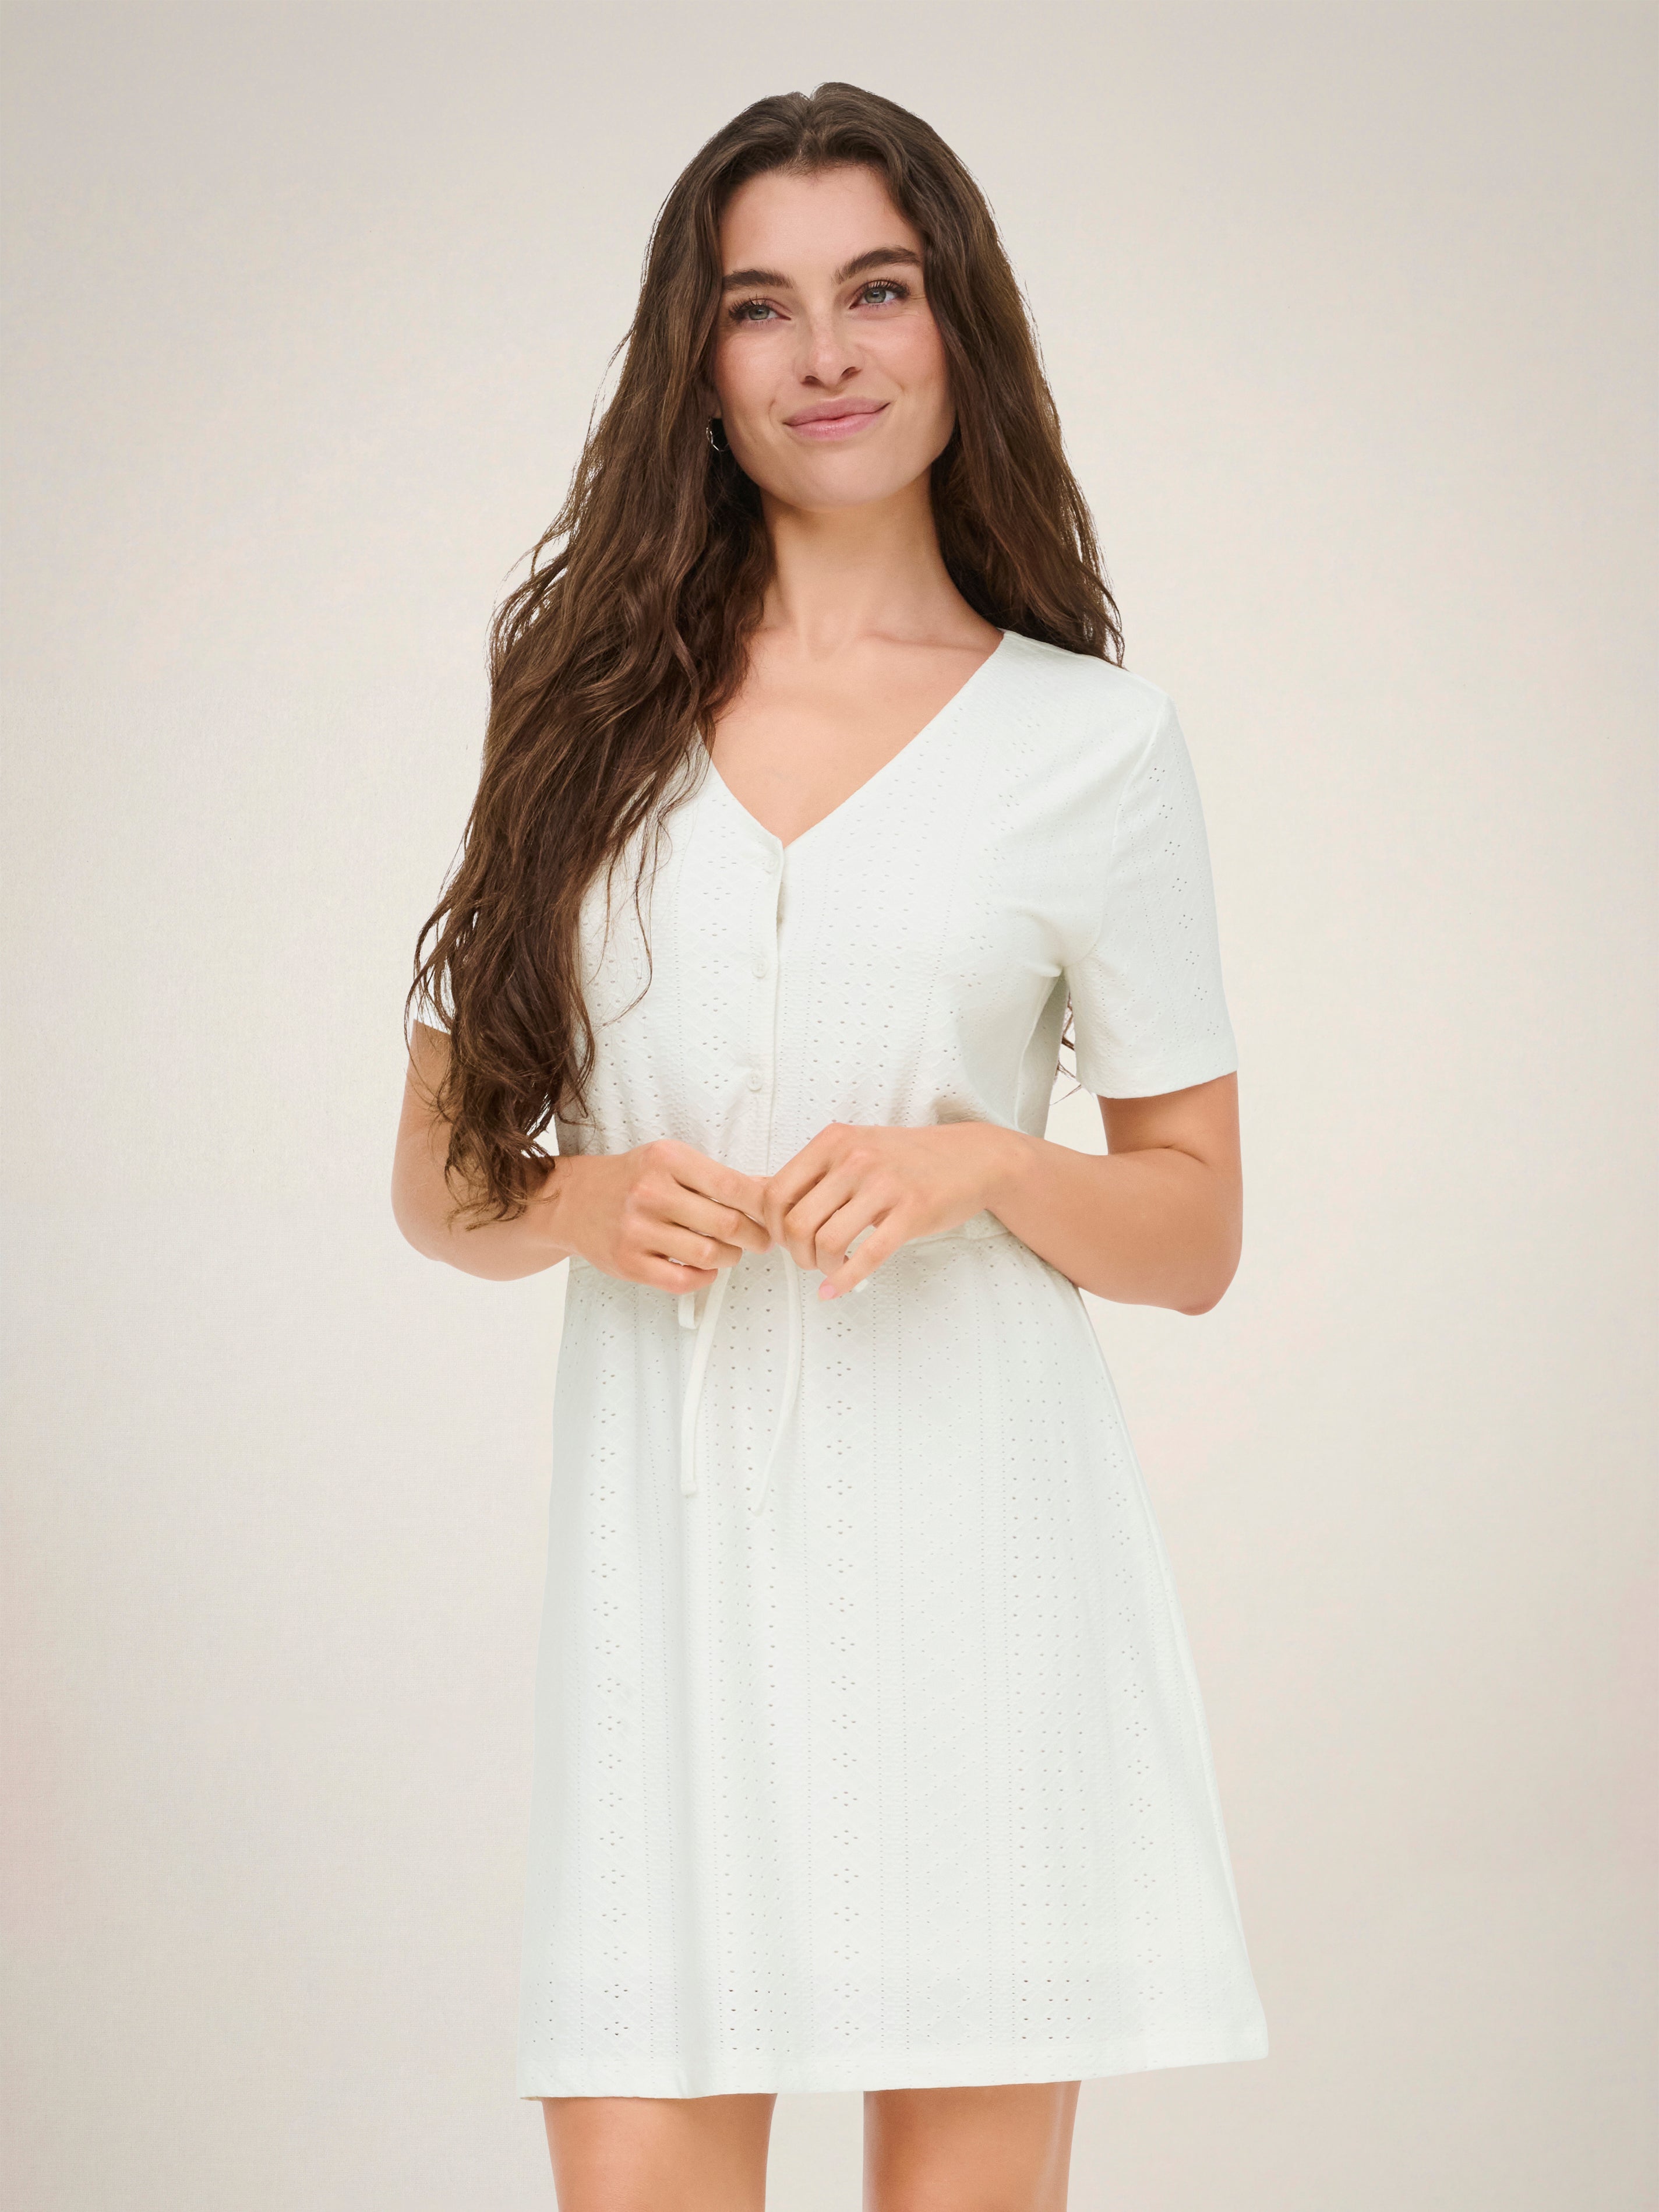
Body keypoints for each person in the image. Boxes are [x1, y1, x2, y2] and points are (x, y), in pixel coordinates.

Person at [392, 80, 1268, 2212]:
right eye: (758, 306)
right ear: (696, 366)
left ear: (959, 325)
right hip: (669, 1610)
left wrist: (986, 1169)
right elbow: (440, 1177)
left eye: (877, 290)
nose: (825, 354)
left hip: (984, 1590)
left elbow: (1194, 1233)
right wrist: (587, 1195)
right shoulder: (573, 712)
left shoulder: (1091, 742)